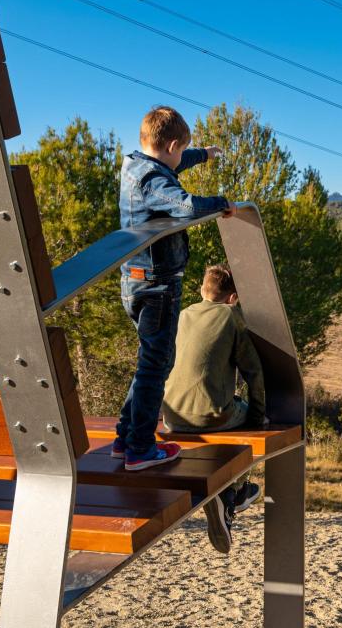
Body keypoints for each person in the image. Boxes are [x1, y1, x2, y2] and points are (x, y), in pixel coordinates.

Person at [112, 106, 235, 472]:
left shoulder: (138, 166)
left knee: (150, 362)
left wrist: (204, 154)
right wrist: (221, 204)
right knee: (156, 366)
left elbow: (174, 164)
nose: (182, 157)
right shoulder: (153, 181)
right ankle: (140, 449)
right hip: (157, 287)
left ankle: (125, 438)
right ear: (171, 145)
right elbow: (186, 206)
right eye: (182, 150)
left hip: (137, 281)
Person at [162, 263, 267, 552]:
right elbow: (254, 372)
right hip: (212, 416)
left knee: (231, 412)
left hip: (171, 415)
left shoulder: (184, 314)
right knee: (250, 421)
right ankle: (233, 492)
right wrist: (259, 417)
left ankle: (233, 492)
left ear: (201, 290)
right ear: (233, 298)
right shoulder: (232, 316)